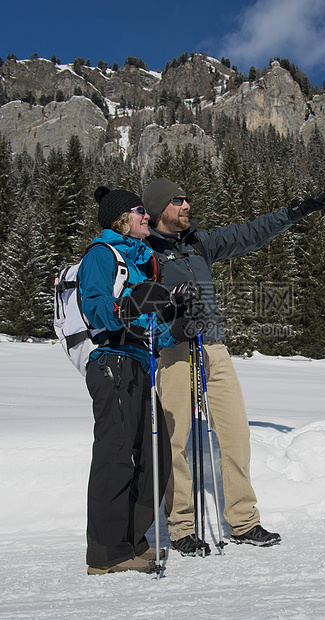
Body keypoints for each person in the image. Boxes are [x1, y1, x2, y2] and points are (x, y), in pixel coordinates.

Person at [142, 177, 325, 555]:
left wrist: (295, 212)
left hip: (213, 347)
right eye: (178, 201)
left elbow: (250, 233)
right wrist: (170, 312)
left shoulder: (199, 243)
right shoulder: (143, 252)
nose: (186, 205)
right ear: (159, 208)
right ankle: (181, 526)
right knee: (174, 439)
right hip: (173, 351)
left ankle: (244, 522)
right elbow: (136, 301)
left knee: (235, 434)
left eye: (186, 198)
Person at [79, 186, 204, 574]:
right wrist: (129, 305)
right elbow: (98, 309)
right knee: (115, 456)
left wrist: (179, 322)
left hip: (139, 366)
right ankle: (106, 553)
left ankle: (132, 541)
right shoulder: (101, 256)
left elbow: (154, 331)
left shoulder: (144, 261)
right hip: (110, 362)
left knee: (156, 457)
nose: (146, 216)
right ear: (121, 218)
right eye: (139, 211)